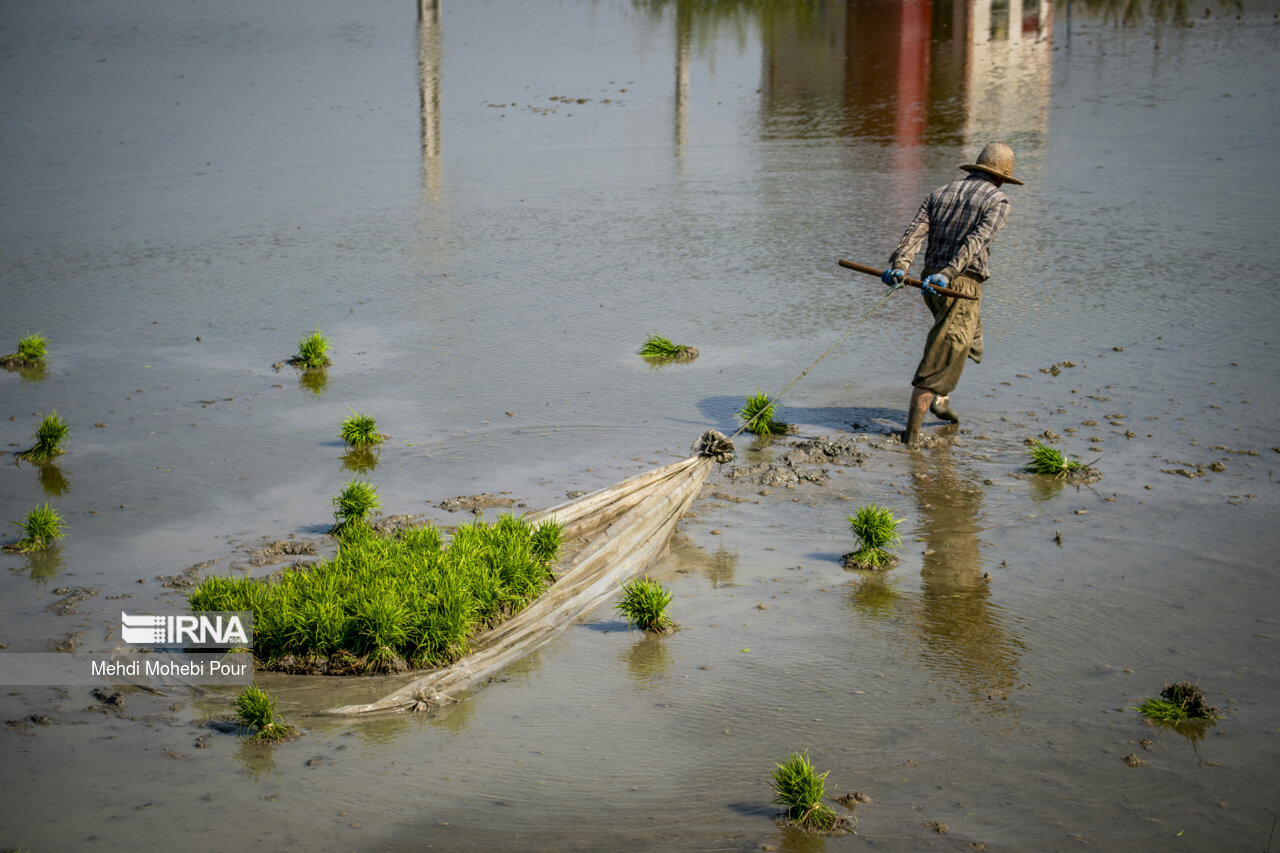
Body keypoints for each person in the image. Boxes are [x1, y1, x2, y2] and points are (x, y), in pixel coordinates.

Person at [881, 141, 1022, 447]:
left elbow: (913, 233)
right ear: (1000, 178)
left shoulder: (940, 193)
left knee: (970, 339)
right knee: (940, 355)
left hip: (929, 283)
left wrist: (900, 264)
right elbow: (976, 242)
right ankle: (912, 436)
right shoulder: (998, 201)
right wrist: (947, 274)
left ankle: (941, 398)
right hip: (957, 283)